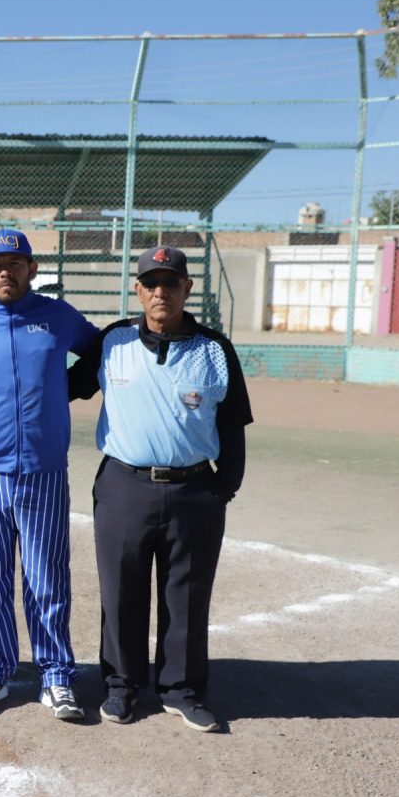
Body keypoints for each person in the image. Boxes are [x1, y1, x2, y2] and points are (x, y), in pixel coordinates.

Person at [68, 246, 253, 733]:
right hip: (124, 486)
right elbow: (64, 386)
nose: (160, 292)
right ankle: (121, 686)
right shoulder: (113, 342)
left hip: (194, 490)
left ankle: (181, 690)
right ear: (138, 289)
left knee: (186, 595)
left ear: (187, 289)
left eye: (171, 283)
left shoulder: (215, 349)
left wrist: (222, 489)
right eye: (151, 283)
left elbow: (233, 424)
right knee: (121, 590)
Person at [0, 228, 99, 720]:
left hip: (43, 469)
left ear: (32, 268)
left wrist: (67, 388)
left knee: (46, 575)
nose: (4, 272)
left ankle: (56, 674)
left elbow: (99, 350)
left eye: (14, 264)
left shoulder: (58, 316)